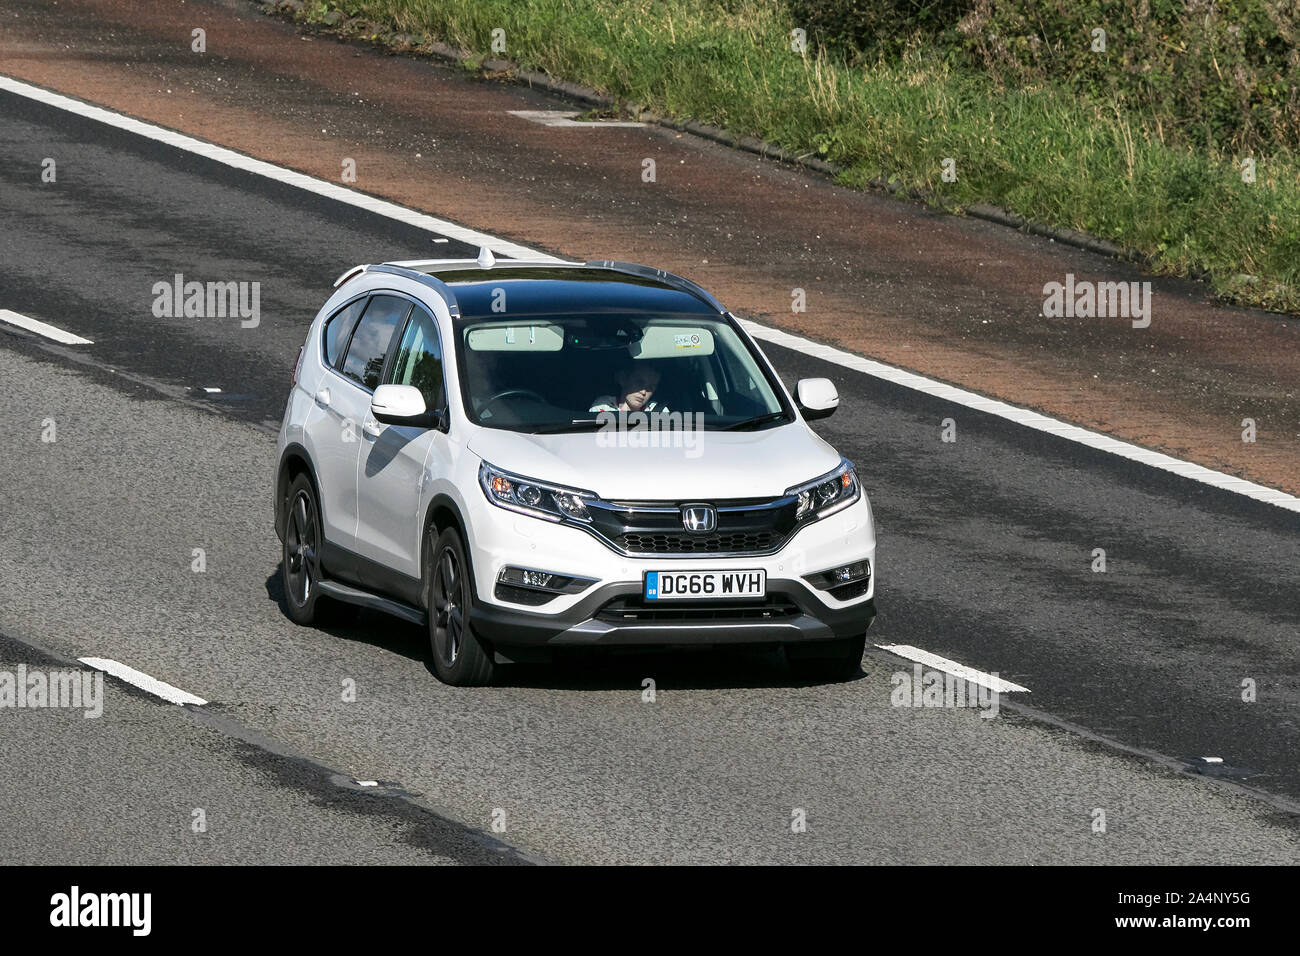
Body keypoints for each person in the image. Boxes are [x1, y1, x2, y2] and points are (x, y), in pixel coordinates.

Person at [590, 363, 666, 414]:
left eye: (650, 387)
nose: (643, 392)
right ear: (623, 380)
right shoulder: (604, 407)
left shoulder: (659, 411)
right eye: (639, 383)